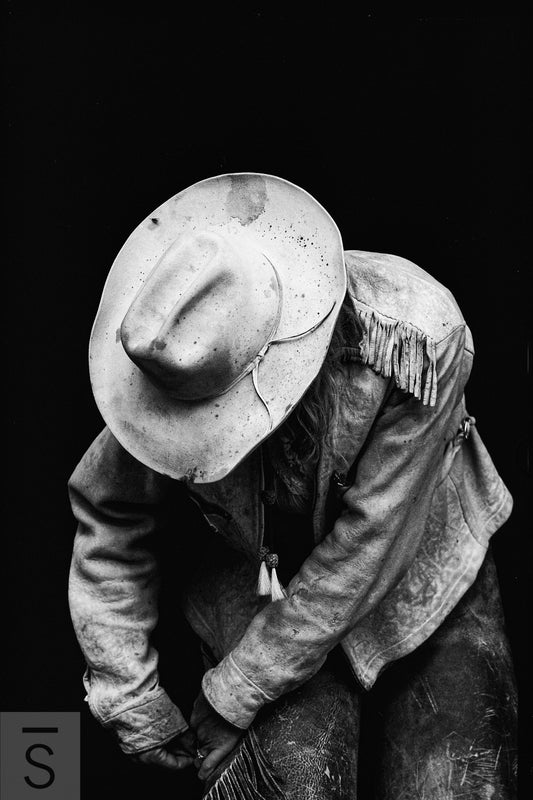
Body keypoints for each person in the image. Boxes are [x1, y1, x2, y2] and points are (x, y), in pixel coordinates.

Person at [68, 173, 517, 799]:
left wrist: (234, 695)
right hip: (255, 586)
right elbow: (111, 517)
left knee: (461, 783)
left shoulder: (416, 335)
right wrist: (125, 689)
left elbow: (367, 547)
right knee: (291, 783)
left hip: (423, 570)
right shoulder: (173, 365)